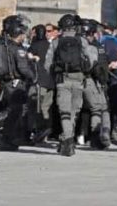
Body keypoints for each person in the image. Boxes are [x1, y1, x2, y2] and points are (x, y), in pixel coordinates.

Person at [45, 14, 90, 157]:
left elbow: (47, 64)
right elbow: (90, 60)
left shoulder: (56, 42)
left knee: (64, 111)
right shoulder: (82, 41)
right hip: (79, 79)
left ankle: (67, 140)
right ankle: (68, 139)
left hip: (62, 79)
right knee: (73, 112)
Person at [0, 15, 34, 151]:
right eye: (22, 33)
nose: (23, 35)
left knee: (13, 111)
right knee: (15, 112)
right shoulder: (17, 48)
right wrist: (33, 77)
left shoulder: (3, 45)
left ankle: (7, 139)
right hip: (16, 84)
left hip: (7, 82)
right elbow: (23, 68)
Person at [81, 19, 112, 149]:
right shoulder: (95, 47)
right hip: (92, 80)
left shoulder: (75, 43)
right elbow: (100, 66)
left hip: (75, 80)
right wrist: (104, 81)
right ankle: (98, 136)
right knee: (99, 109)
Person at [27, 24, 55, 145]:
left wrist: (32, 57)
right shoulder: (51, 45)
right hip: (51, 81)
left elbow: (28, 58)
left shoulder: (34, 46)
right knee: (47, 108)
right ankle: (46, 133)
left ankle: (39, 132)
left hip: (39, 80)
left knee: (37, 108)